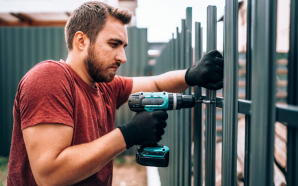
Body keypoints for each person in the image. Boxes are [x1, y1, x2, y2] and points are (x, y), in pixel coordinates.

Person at [7, 1, 223, 185]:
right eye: (114, 44)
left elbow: (156, 84)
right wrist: (128, 134)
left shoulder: (104, 86)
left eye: (124, 47)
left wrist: (191, 75)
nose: (122, 57)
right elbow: (49, 175)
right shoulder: (49, 77)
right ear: (81, 41)